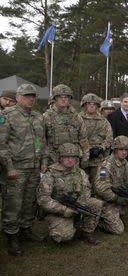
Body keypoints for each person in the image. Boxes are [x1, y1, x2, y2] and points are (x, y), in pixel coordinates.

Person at [0, 84, 46, 255]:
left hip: (34, 167)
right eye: (27, 96)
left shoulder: (37, 116)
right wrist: (9, 167)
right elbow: (1, 145)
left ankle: (26, 229)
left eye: (33, 96)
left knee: (29, 201)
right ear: (18, 97)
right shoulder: (7, 116)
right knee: (13, 203)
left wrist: (43, 161)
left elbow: (41, 142)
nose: (31, 99)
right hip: (16, 169)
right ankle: (11, 235)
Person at [37, 143, 103, 245]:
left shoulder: (80, 172)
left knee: (96, 204)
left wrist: (80, 205)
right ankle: (55, 233)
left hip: (75, 205)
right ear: (60, 158)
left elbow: (86, 191)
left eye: (73, 157)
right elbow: (43, 199)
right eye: (66, 157)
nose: (70, 160)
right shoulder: (51, 174)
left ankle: (86, 232)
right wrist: (63, 210)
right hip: (56, 211)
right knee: (65, 236)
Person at [94, 136, 128, 234]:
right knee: (119, 230)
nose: (124, 152)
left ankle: (119, 212)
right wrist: (116, 198)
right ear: (115, 150)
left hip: (120, 195)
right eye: (121, 149)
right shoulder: (105, 166)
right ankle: (100, 220)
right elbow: (101, 189)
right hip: (107, 201)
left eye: (126, 150)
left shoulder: (125, 162)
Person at [43, 84, 89, 166]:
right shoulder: (47, 117)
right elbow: (41, 140)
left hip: (73, 160)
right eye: (60, 97)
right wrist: (44, 161)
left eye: (66, 97)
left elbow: (83, 139)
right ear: (55, 99)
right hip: (53, 161)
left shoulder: (76, 117)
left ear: (69, 99)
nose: (63, 99)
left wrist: (85, 157)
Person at [78, 93, 113, 184]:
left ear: (98, 106)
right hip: (82, 159)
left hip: (99, 159)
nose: (92, 106)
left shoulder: (104, 121)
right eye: (89, 103)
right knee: (82, 185)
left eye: (94, 104)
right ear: (84, 105)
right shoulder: (77, 119)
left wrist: (101, 148)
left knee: (102, 181)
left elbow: (109, 138)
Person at [107, 93, 128, 188]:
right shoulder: (113, 116)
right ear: (121, 102)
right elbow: (112, 134)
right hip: (119, 150)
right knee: (117, 173)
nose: (127, 104)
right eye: (125, 102)